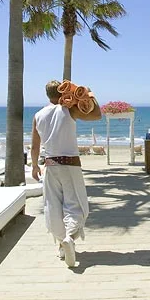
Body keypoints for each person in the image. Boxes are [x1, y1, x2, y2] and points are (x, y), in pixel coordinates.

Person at [31, 80, 101, 268]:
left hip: (50, 165)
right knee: (75, 204)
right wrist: (90, 95)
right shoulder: (69, 110)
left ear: (47, 95)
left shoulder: (38, 115)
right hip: (70, 165)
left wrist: (34, 166)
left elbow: (35, 146)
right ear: (63, 92)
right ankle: (69, 237)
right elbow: (96, 115)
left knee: (53, 207)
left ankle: (62, 245)